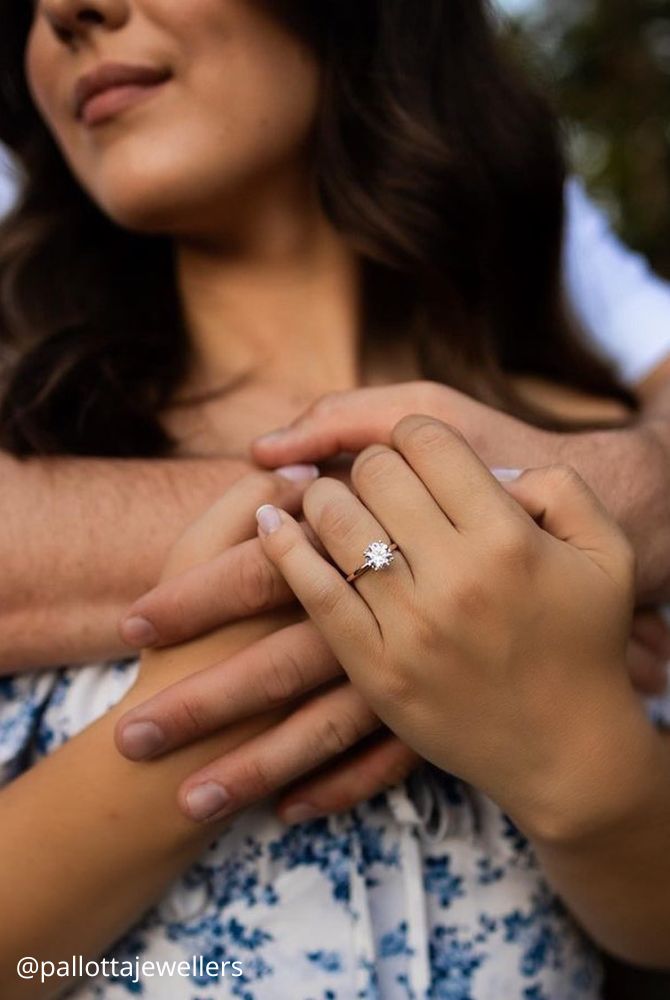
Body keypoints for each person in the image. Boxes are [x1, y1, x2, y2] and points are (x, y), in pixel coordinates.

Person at [0, 2, 669, 998]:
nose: (64, 11)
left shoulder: (598, 456)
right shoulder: (26, 438)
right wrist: (198, 718)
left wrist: (576, 759)